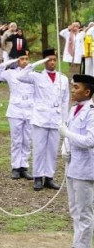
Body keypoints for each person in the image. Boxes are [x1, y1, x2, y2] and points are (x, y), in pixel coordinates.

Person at [17, 48, 69, 191]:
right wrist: (37, 63)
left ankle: (49, 177)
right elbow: (20, 76)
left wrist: (65, 121)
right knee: (39, 148)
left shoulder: (62, 79)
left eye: (54, 60)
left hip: (56, 119)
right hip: (40, 118)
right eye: (49, 60)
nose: (52, 63)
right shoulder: (37, 76)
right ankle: (38, 177)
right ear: (45, 61)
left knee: (52, 150)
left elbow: (65, 101)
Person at [59, 74, 94, 248]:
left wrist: (67, 135)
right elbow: (69, 131)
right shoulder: (74, 110)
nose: (73, 90)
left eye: (77, 87)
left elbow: (90, 141)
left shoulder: (91, 112)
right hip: (72, 166)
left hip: (85, 169)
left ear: (87, 92)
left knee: (84, 212)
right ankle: (77, 244)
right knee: (74, 210)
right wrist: (65, 146)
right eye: (73, 87)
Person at [0, 50, 33, 180]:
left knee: (27, 140)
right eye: (21, 59)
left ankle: (24, 166)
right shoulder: (10, 73)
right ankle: (15, 167)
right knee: (16, 140)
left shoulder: (34, 74)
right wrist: (7, 63)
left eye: (26, 59)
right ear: (17, 61)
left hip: (30, 110)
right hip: (15, 110)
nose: (24, 61)